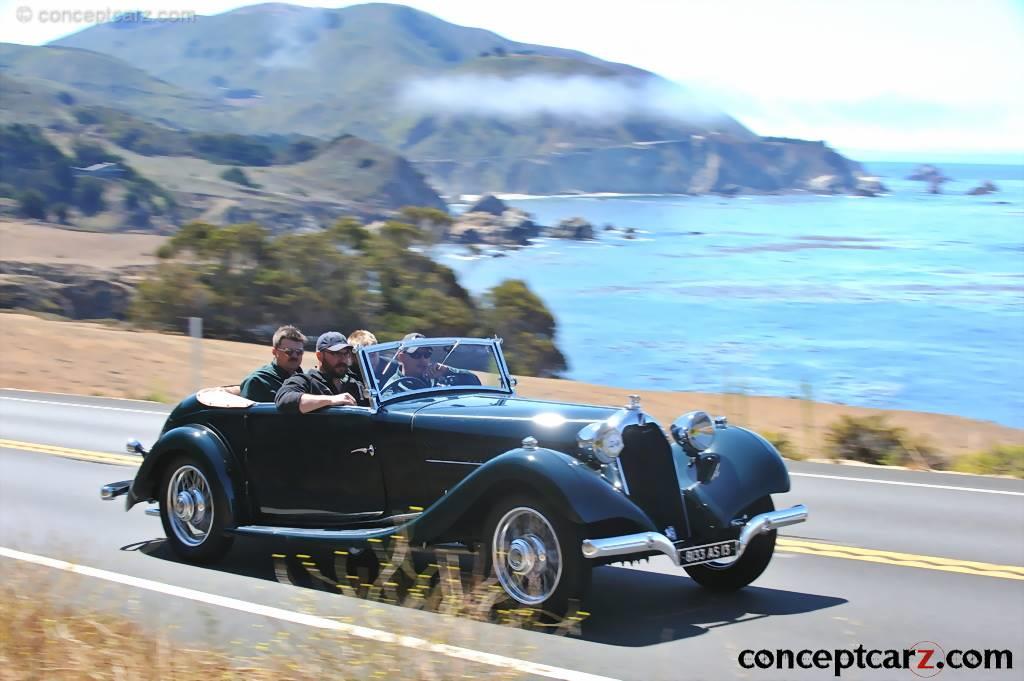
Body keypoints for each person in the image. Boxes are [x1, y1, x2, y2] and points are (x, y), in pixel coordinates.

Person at [275, 331, 369, 412]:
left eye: (346, 353)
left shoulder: (356, 385)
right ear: (319, 356)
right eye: (335, 353)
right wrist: (331, 400)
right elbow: (284, 399)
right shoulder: (305, 381)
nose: (343, 359)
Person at [382, 332, 478, 392]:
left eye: (427, 354)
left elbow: (475, 382)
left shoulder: (438, 376)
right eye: (416, 354)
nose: (423, 360)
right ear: (401, 357)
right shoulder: (392, 388)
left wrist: (447, 371)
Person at [239, 325, 307, 403]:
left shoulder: (306, 379)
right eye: (288, 351)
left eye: (299, 352)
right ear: (274, 352)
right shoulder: (257, 381)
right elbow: (249, 414)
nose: (294, 356)